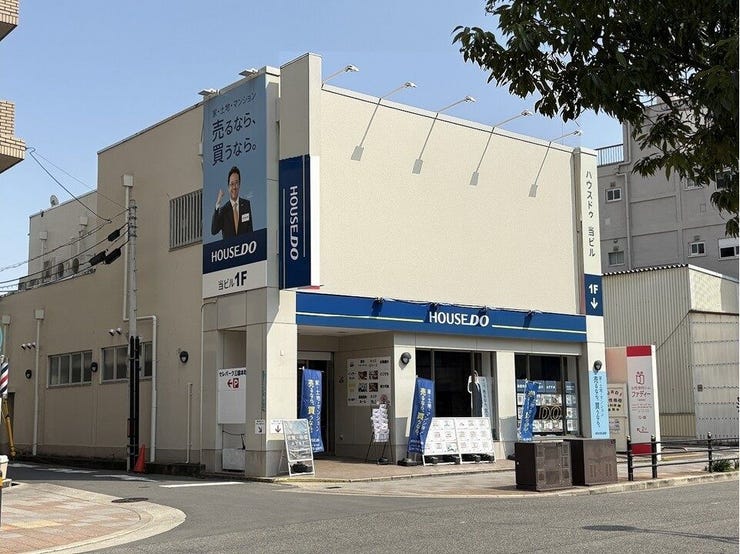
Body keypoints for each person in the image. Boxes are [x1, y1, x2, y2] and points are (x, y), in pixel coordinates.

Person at [211, 166, 253, 238]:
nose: (234, 187)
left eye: (236, 183)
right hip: (230, 245)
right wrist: (218, 203)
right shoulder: (224, 210)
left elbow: (250, 229)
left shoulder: (246, 204)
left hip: (244, 244)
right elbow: (214, 230)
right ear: (228, 187)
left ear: (239, 185)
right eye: (232, 184)